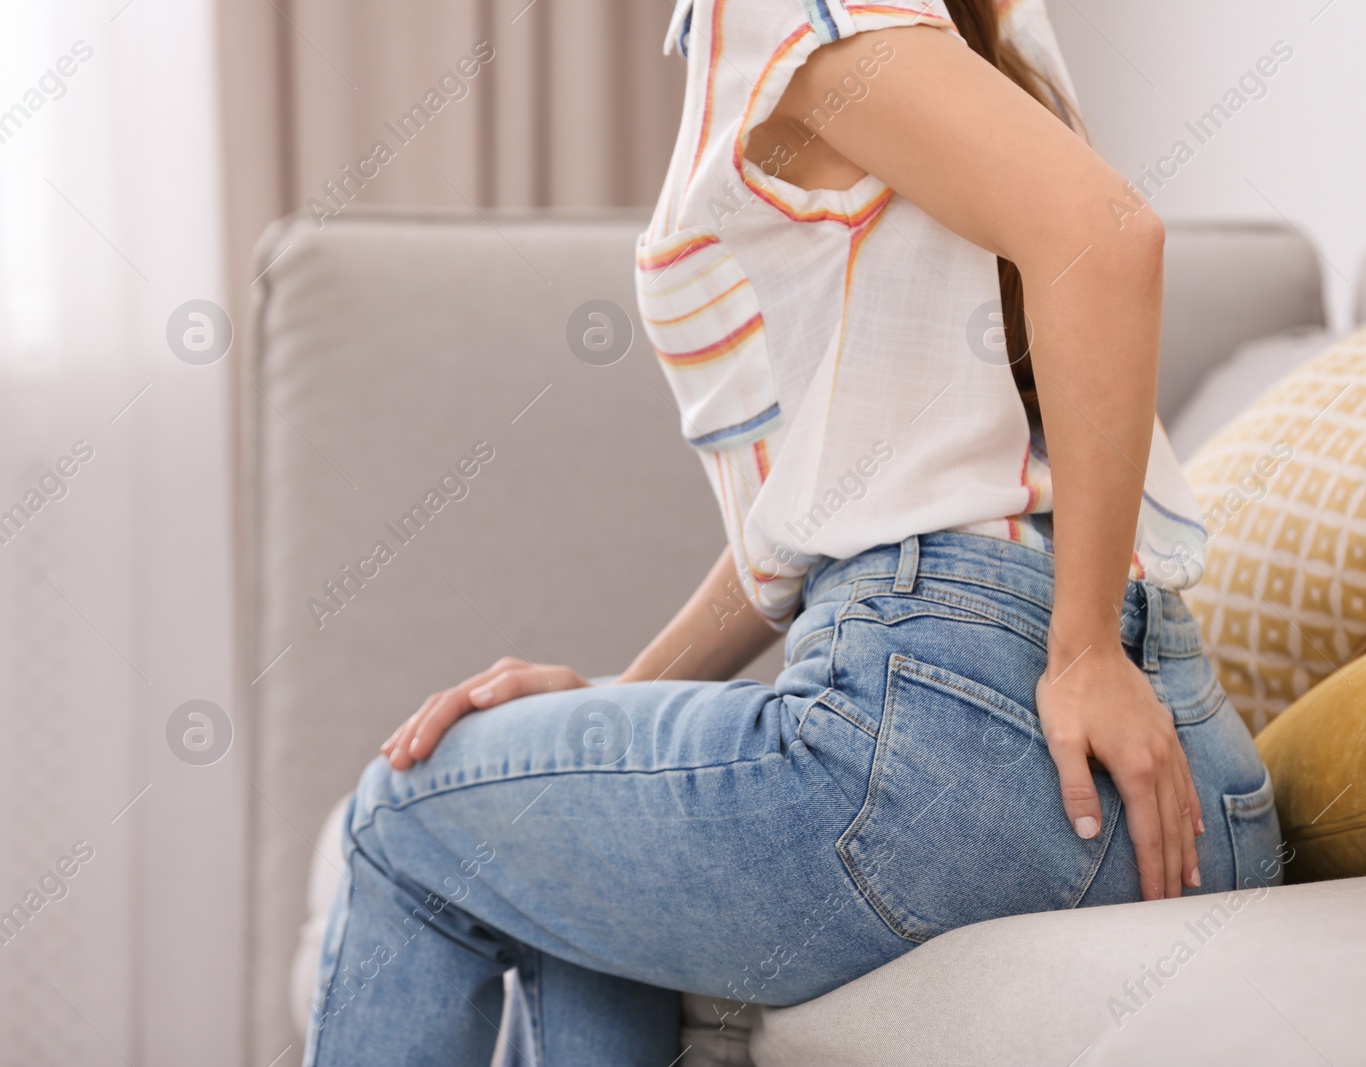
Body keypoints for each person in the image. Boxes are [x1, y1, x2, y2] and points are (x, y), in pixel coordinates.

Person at [303, 1, 1282, 1063]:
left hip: (965, 745)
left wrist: (1084, 644)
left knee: (403, 814)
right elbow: (846, 495)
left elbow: (1102, 237)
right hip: (1183, 777)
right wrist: (627, 697)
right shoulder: (978, 20)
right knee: (572, 879)